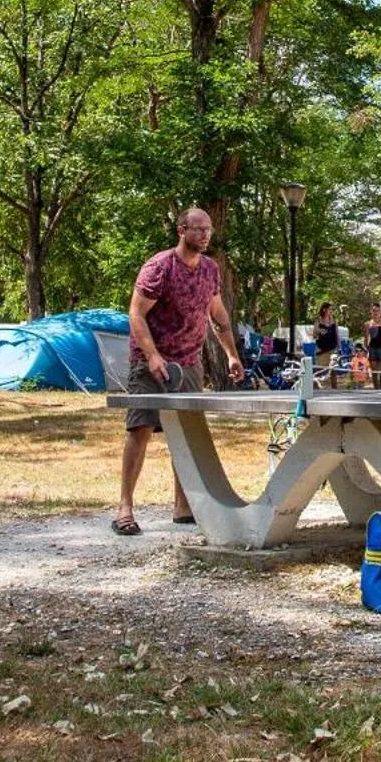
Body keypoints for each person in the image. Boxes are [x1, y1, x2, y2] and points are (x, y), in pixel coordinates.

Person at [115, 207, 244, 536]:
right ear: (181, 229)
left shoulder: (210, 270)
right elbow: (136, 313)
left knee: (185, 436)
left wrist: (231, 354)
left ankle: (183, 507)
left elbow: (218, 315)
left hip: (189, 363)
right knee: (140, 430)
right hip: (150, 363)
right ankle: (124, 508)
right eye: (198, 229)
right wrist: (153, 355)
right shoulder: (160, 267)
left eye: (208, 230)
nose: (204, 235)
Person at [313, 303, 342, 388]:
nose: (331, 311)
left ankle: (334, 389)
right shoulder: (318, 320)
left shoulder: (334, 321)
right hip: (321, 350)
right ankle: (323, 390)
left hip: (333, 349)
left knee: (333, 370)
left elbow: (337, 335)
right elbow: (314, 335)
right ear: (324, 310)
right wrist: (319, 331)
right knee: (322, 371)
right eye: (330, 309)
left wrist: (339, 348)